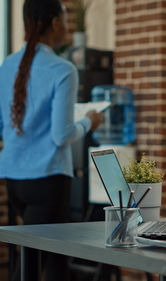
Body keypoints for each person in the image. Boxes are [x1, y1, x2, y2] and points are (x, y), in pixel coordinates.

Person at [0, 0, 102, 280]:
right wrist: (88, 121)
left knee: (42, 257)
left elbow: (2, 125)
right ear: (55, 22)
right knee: (43, 262)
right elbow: (62, 135)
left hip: (14, 179)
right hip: (48, 179)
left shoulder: (7, 65)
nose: (67, 27)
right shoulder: (63, 69)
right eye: (66, 19)